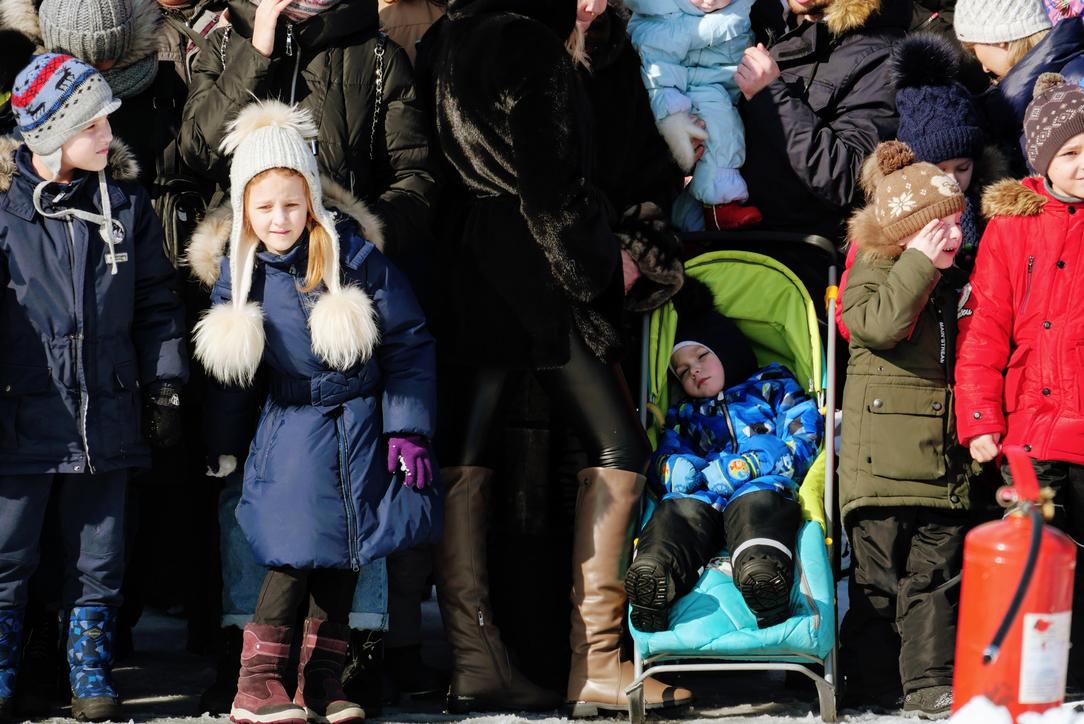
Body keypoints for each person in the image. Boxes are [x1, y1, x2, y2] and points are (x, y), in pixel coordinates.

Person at [420, 0, 693, 716]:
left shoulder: (447, 37)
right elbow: (551, 192)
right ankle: (596, 663)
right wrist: (598, 271)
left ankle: (477, 661)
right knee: (619, 445)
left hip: (468, 265)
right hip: (533, 269)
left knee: (465, 455)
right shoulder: (529, 44)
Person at [187, 99, 439, 724]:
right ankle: (256, 682)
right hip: (294, 429)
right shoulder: (242, 276)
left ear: (312, 203)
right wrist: (223, 444)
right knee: (293, 551)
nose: (279, 219)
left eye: (292, 205)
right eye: (264, 207)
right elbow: (232, 376)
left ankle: (321, 680)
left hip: (362, 427)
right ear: (244, 207)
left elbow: (408, 342)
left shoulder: (354, 259)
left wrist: (407, 428)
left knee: (346, 555)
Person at [0, 54, 187, 723]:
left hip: (105, 408)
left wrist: (164, 382)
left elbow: (157, 302)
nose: (109, 133)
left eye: (108, 119)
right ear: (52, 135)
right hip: (23, 412)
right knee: (7, 554)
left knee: (99, 557)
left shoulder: (126, 206)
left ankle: (89, 670)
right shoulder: (6, 213)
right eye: (92, 124)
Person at [956, 72, 1084, 693]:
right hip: (1033, 430)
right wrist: (980, 417)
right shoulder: (1012, 228)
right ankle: (1038, 684)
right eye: (1071, 152)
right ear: (1042, 159)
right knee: (1039, 566)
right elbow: (985, 328)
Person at [838, 140, 974, 718]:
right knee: (877, 581)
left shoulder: (953, 281)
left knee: (935, 579)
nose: (953, 235)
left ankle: (928, 681)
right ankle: (868, 683)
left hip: (942, 461)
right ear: (906, 232)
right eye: (939, 226)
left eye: (958, 223)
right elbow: (877, 325)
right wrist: (918, 262)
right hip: (879, 464)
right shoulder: (873, 267)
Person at [624, 286, 823, 632]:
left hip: (759, 484)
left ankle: (763, 575)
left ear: (727, 349)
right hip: (704, 494)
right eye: (682, 371)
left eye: (701, 356)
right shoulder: (685, 412)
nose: (694, 371)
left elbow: (805, 435)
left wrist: (755, 462)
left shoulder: (772, 386)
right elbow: (665, 451)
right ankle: (656, 575)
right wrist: (671, 468)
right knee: (676, 511)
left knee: (758, 506)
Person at [178, 0, 436, 260]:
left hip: (341, 268)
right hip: (243, 264)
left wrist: (360, 240)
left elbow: (411, 176)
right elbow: (198, 151)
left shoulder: (378, 55)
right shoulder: (223, 44)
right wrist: (255, 56)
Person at [834, 32, 1006, 341]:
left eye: (962, 168)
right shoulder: (890, 221)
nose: (951, 181)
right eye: (938, 170)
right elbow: (851, 320)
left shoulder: (993, 212)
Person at [736, 0, 910, 244]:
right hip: (716, 232)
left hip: (795, 248)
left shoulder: (882, 55)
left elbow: (849, 177)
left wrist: (770, 96)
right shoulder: (756, 20)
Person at [624, 0, 763, 231]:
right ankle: (720, 204)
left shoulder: (746, 10)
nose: (710, 1)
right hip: (683, 90)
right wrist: (672, 110)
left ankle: (697, 217)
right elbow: (658, 70)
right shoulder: (663, 17)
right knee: (720, 124)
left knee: (726, 129)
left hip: (725, 85)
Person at [955, 0, 1084, 174]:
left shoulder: (1075, 80)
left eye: (974, 50)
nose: (984, 68)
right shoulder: (1015, 101)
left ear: (998, 40)